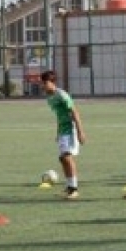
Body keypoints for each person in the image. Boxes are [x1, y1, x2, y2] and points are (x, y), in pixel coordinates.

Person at [40, 70, 86, 200]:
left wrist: (80, 131)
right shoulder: (49, 97)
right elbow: (59, 116)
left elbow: (75, 112)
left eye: (45, 83)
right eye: (42, 83)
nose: (43, 85)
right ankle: (69, 187)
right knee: (62, 158)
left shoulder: (61, 95)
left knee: (67, 157)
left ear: (52, 82)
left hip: (71, 129)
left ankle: (74, 189)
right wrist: (58, 132)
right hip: (63, 130)